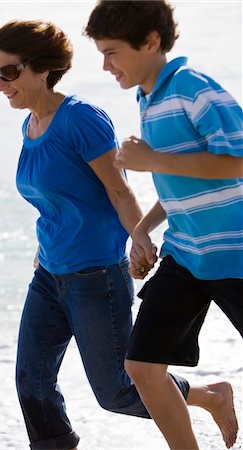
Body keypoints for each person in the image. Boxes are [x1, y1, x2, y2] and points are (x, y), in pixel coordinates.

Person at [0, 19, 239, 450]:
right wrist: (44, 247)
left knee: (120, 391)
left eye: (8, 72)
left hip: (95, 277)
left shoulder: (81, 119)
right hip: (49, 274)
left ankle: (210, 396)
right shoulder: (28, 125)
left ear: (42, 68)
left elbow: (119, 189)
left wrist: (139, 239)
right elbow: (59, 199)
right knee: (32, 384)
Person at [85, 1, 243, 449]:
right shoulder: (149, 97)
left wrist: (151, 158)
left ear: (150, 42)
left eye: (112, 51)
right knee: (142, 367)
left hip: (234, 250)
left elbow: (238, 159)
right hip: (187, 253)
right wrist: (143, 229)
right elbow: (179, 184)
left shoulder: (194, 88)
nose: (105, 65)